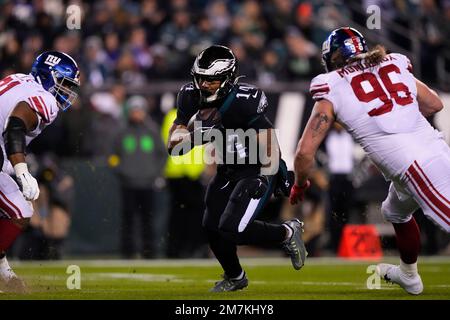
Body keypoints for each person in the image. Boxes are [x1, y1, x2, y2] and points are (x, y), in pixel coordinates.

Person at [289, 27, 449, 295]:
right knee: (394, 211)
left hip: (415, 165)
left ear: (333, 58)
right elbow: (434, 104)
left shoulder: (333, 85)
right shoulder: (395, 63)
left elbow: (305, 153)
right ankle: (409, 275)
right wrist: (400, 112)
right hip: (431, 150)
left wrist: (300, 184)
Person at [167, 45, 308, 292]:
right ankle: (235, 276)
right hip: (227, 169)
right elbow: (174, 145)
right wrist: (193, 135)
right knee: (212, 228)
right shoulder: (189, 96)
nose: (204, 85)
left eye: (211, 80)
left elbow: (267, 144)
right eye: (200, 78)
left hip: (256, 168)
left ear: (228, 78)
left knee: (234, 229)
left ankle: (287, 232)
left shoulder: (245, 101)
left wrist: (271, 176)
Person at [0, 51, 80, 292]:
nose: (67, 92)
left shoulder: (19, 79)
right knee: (21, 209)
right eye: (65, 84)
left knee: (20, 208)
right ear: (49, 76)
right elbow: (14, 127)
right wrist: (22, 171)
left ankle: (5, 275)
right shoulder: (44, 99)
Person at [109, 95, 166, 259]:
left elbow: (162, 155)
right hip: (128, 183)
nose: (137, 113)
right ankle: (127, 252)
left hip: (148, 183)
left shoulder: (152, 130)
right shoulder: (121, 132)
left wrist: (154, 172)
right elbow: (112, 156)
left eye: (139, 110)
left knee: (148, 220)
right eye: (134, 110)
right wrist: (121, 170)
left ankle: (149, 252)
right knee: (128, 220)